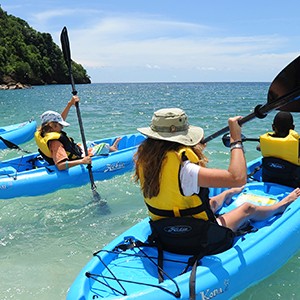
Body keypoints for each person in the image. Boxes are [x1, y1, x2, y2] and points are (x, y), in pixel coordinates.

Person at [133, 108, 300, 255]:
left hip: (164, 233)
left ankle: (227, 194)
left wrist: (194, 150)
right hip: (198, 239)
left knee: (210, 202)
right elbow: (237, 178)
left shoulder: (146, 161)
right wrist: (236, 140)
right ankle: (282, 205)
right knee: (247, 208)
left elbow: (181, 184)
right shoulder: (186, 170)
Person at [35, 95, 121, 170]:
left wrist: (70, 104)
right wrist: (82, 161)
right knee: (103, 146)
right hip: (77, 158)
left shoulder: (44, 131)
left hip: (76, 151)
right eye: (61, 125)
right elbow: (60, 166)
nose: (62, 127)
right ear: (53, 126)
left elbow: (60, 119)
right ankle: (113, 149)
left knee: (88, 143)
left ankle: (103, 148)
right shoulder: (55, 143)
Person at [258, 111, 300, 187]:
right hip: (292, 185)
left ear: (273, 127)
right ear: (293, 128)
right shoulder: (297, 143)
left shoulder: (264, 143)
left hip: (269, 180)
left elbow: (258, 148)